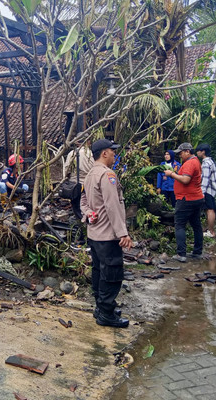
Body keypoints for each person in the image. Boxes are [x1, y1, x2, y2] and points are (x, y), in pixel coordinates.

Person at [80, 139, 133, 328]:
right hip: (108, 235)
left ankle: (101, 307)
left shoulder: (89, 175)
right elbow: (113, 206)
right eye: (112, 151)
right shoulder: (107, 175)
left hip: (94, 235)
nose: (114, 155)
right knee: (111, 273)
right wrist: (122, 234)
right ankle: (107, 314)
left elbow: (83, 202)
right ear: (104, 153)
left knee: (98, 271)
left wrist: (88, 214)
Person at [164, 142, 205, 262]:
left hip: (186, 199)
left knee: (180, 225)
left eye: (181, 153)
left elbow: (186, 180)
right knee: (196, 224)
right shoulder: (195, 161)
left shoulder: (190, 163)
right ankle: (197, 251)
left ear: (187, 151)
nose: (180, 155)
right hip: (196, 198)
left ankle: (181, 254)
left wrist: (171, 174)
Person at [196, 143, 216, 237]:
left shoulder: (206, 163)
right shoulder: (211, 162)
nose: (197, 153)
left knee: (209, 210)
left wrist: (202, 192)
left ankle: (211, 231)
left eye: (198, 151)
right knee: (209, 210)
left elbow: (205, 178)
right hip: (211, 190)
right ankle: (210, 229)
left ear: (203, 152)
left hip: (207, 190)